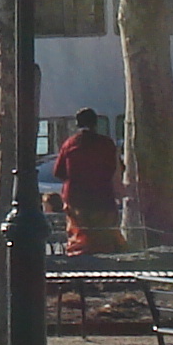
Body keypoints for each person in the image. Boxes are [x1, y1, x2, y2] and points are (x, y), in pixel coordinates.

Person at [52, 108, 124, 255]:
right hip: (102, 198)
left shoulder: (70, 144)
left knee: (79, 236)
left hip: (76, 200)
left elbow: (58, 172)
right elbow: (115, 168)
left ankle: (78, 257)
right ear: (96, 123)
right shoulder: (106, 144)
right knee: (103, 236)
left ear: (77, 124)